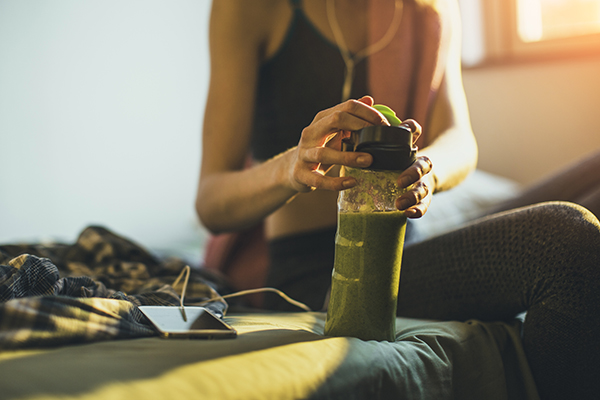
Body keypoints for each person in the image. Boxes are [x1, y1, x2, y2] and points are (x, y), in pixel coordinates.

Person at [196, 0, 600, 398]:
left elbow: (459, 139)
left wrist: (429, 170)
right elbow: (210, 201)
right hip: (321, 275)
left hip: (408, 247)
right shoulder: (249, 8)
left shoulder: (431, 9)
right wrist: (289, 169)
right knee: (565, 237)